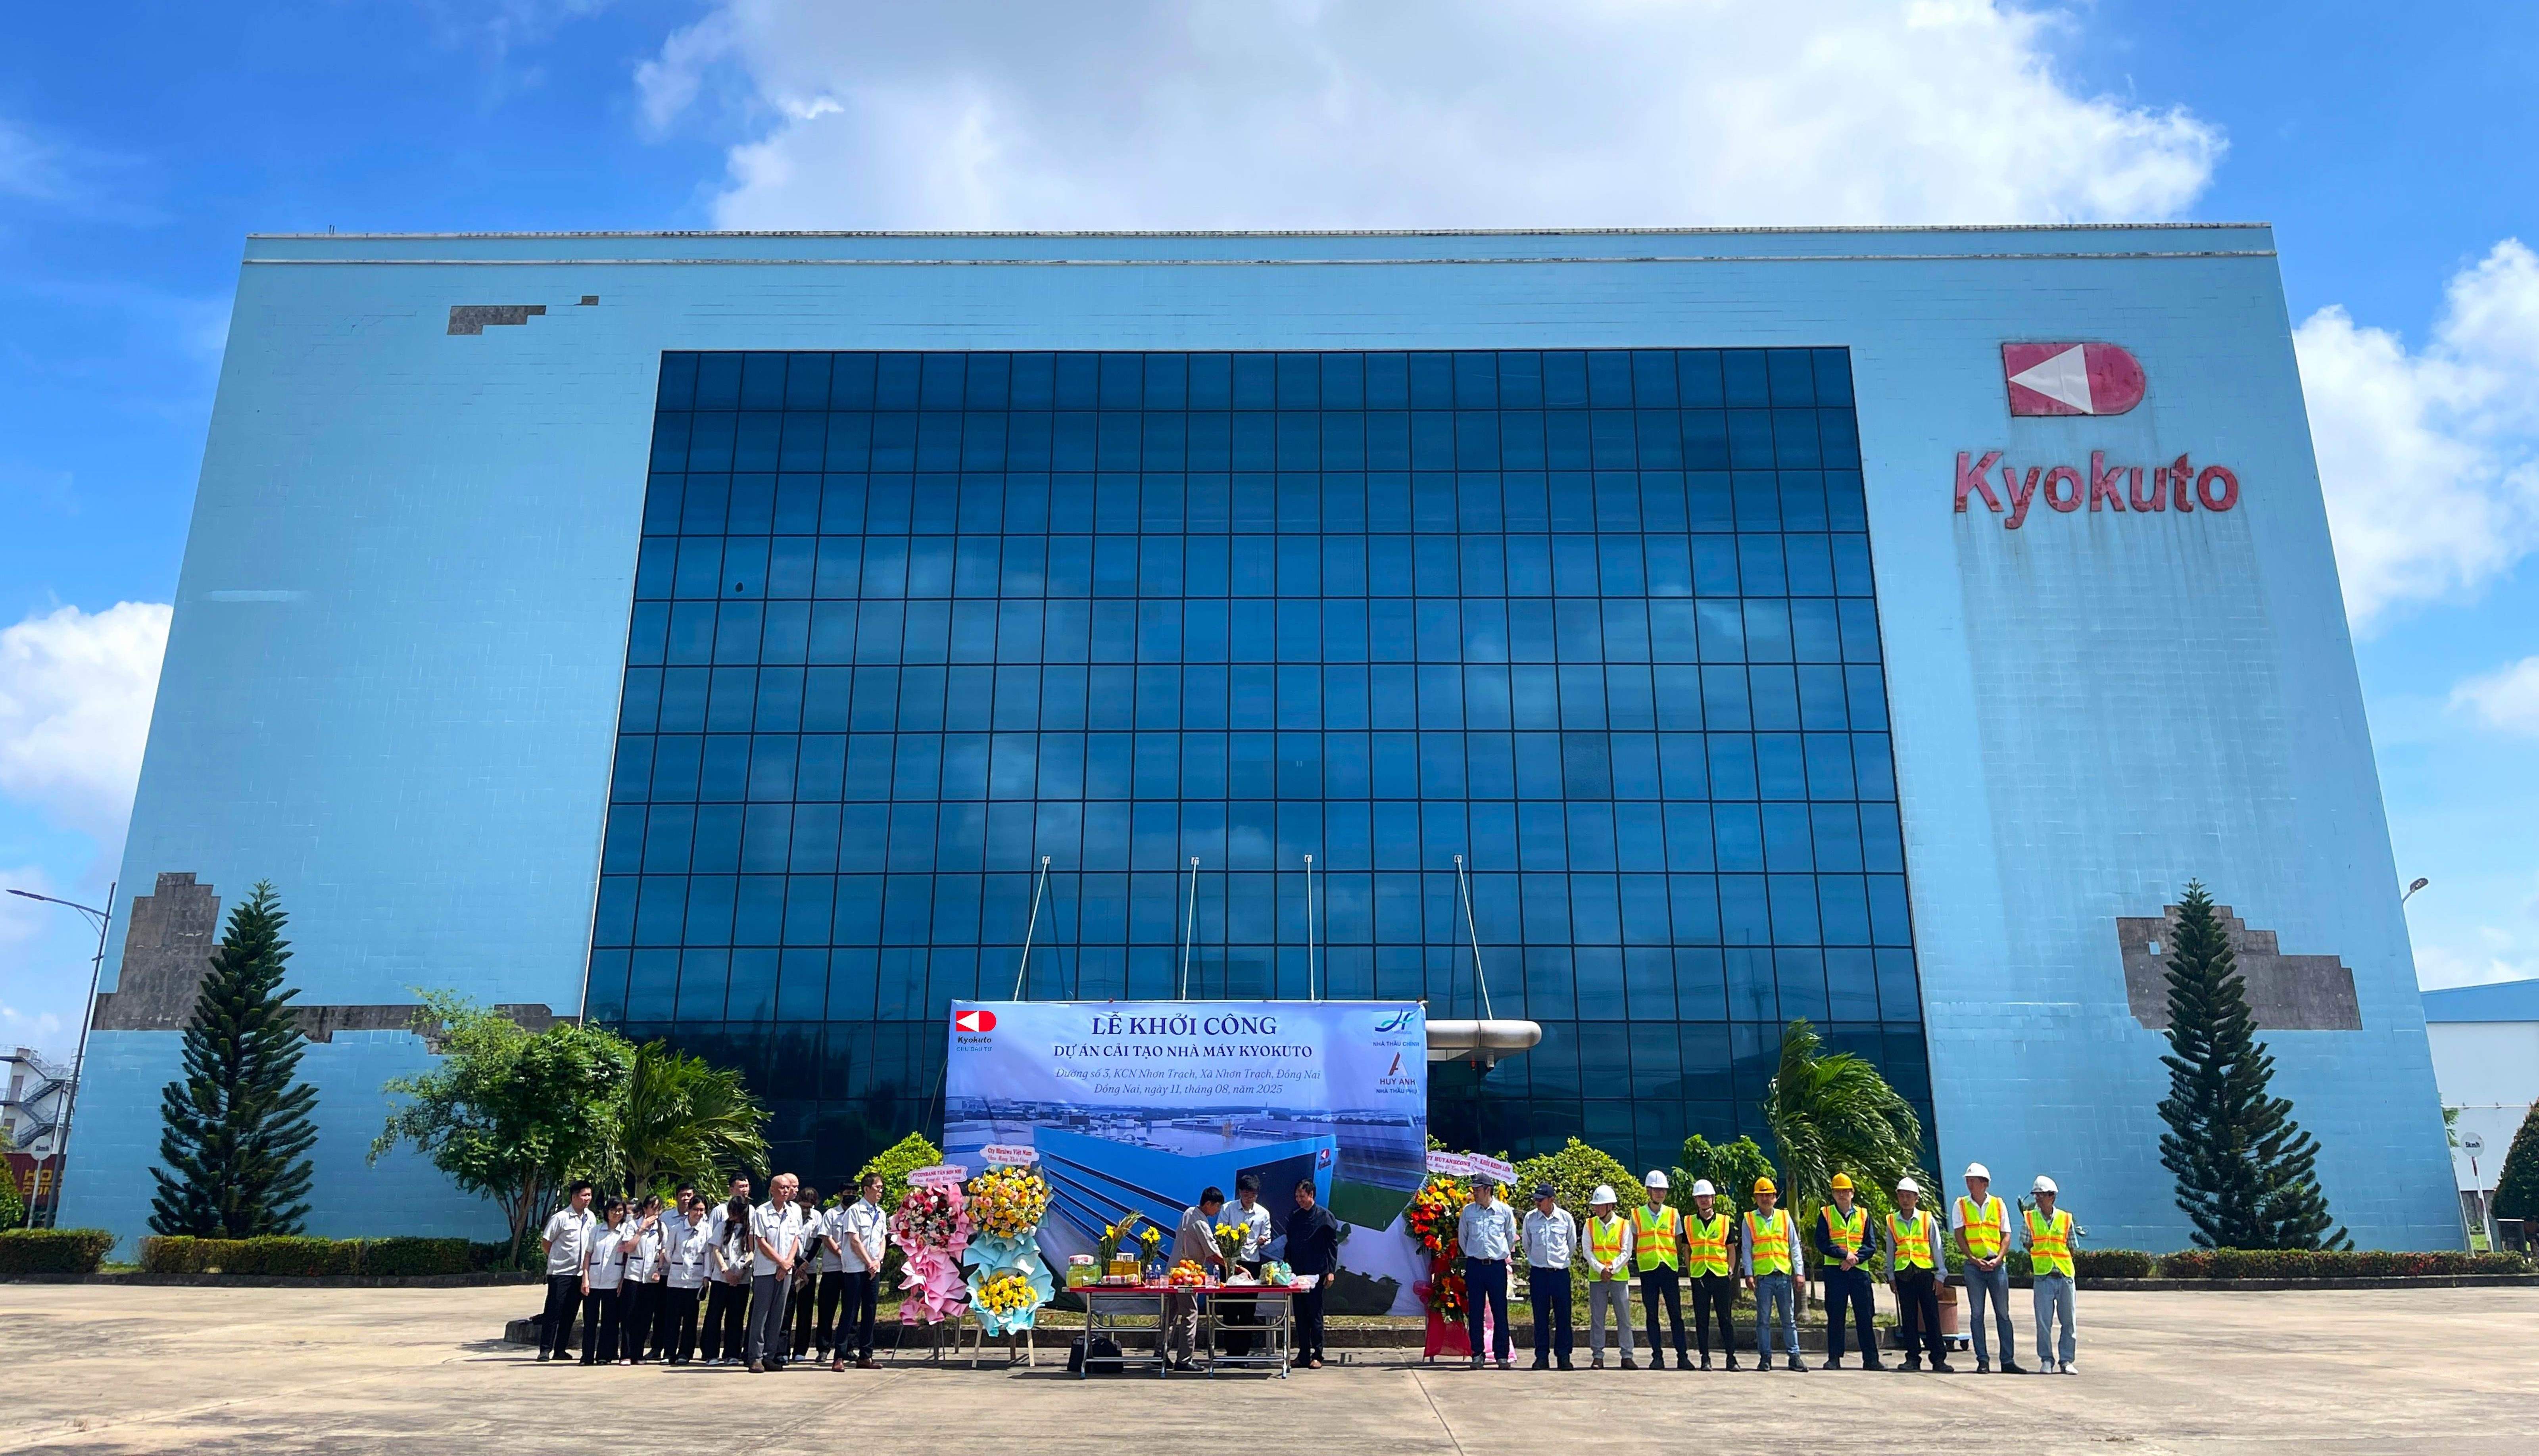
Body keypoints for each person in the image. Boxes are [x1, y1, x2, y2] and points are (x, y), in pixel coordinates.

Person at [1952, 1162, 2026, 1373]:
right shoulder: (1961, 1205)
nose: (1969, 1184)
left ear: (1984, 1184)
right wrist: (1973, 1259)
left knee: (2003, 1314)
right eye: (1968, 1180)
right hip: (1974, 1267)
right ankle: (1982, 1360)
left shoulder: (1998, 1204)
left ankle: (2007, 1361)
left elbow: (2006, 1235)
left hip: (1997, 1266)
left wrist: (1999, 1259)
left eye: (1973, 1180)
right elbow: (1960, 1235)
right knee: (1977, 1314)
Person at [1815, 1173, 1883, 1370]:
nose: (1842, 1195)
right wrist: (1845, 1256)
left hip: (1859, 1272)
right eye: (1838, 1192)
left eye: (1846, 1191)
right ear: (1833, 1194)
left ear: (1852, 1193)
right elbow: (1822, 1242)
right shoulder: (1826, 1214)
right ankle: (1834, 1358)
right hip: (1835, 1271)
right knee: (1836, 1315)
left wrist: (1855, 1260)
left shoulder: (1864, 1214)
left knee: (1865, 1315)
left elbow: (1871, 1245)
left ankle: (1871, 1359)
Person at [1886, 1176, 1952, 1371]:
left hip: (1924, 1274)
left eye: (1909, 1196)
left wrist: (1941, 1275)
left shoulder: (1926, 1219)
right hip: (1904, 1274)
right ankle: (1912, 1358)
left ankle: (1938, 1359)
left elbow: (1936, 1247)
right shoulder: (1892, 1221)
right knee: (1909, 1318)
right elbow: (1891, 1250)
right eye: (1902, 1196)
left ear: (1917, 1198)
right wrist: (1891, 1275)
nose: (1905, 1200)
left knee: (1932, 1317)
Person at [1740, 1177, 1805, 1372]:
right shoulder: (1749, 1219)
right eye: (1762, 1196)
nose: (1766, 1199)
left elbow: (1794, 1246)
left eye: (1769, 1195)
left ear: (1776, 1198)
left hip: (1784, 1275)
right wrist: (1749, 1274)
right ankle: (1765, 1357)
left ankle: (1794, 1357)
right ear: (1756, 1198)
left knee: (1789, 1319)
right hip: (1764, 1278)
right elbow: (1746, 1248)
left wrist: (1799, 1272)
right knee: (1763, 1320)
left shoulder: (1785, 1218)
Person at [743, 1172, 806, 1373]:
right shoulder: (762, 1212)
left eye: (789, 1188)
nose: (786, 1191)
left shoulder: (793, 1211)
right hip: (765, 1270)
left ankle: (770, 1356)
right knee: (761, 1314)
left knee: (778, 1315)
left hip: (785, 1270)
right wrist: (780, 1262)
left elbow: (796, 1238)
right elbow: (761, 1241)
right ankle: (755, 1357)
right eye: (782, 1188)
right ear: (772, 1190)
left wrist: (787, 1264)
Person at [1457, 1178, 1518, 1370]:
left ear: (1488, 1190)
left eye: (1478, 1190)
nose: (1474, 1193)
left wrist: (1498, 1255)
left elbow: (1510, 1238)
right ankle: (1477, 1354)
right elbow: (1463, 1240)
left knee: (1500, 1311)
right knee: (1475, 1311)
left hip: (1496, 1266)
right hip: (1475, 1266)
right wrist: (1475, 1254)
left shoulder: (1504, 1211)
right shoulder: (1468, 1212)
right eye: (1473, 1189)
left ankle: (1502, 1355)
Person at [1631, 1170, 1689, 1370]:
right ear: (1649, 1191)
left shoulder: (1673, 1214)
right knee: (1651, 1315)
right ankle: (1657, 1356)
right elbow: (1635, 1241)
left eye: (1663, 1190)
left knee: (1676, 1315)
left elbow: (1678, 1241)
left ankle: (1683, 1356)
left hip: (1669, 1268)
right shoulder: (1637, 1215)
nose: (1660, 1194)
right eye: (1656, 1190)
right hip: (1648, 1269)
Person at [830, 1173, 889, 1371]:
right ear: (866, 1189)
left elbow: (882, 1239)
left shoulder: (880, 1213)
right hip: (856, 1267)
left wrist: (878, 1261)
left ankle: (866, 1355)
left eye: (882, 1188)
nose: (881, 1191)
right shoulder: (854, 1211)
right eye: (878, 1187)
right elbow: (854, 1241)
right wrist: (868, 1262)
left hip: (873, 1268)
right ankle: (840, 1355)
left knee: (870, 1310)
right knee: (850, 1311)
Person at [1165, 1186, 1228, 1370]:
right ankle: (1184, 1360)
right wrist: (1233, 1267)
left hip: (1173, 1272)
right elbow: (1213, 1253)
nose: (1217, 1212)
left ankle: (1160, 1352)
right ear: (1208, 1204)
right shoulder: (1201, 1223)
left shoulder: (1189, 1212)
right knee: (1190, 1314)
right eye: (1216, 1207)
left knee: (1169, 1315)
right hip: (1186, 1276)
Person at [536, 1181, 597, 1362]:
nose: (587, 1199)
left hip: (580, 1275)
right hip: (560, 1273)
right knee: (553, 1312)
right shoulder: (561, 1218)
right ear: (574, 1197)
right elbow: (546, 1244)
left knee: (570, 1314)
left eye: (589, 1195)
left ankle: (561, 1349)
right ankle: (545, 1349)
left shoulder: (591, 1218)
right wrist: (557, 1261)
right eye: (584, 1196)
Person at [1284, 1178, 1341, 1370]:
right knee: (1300, 1316)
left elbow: (1332, 1246)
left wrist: (1330, 1272)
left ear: (1312, 1196)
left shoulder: (1325, 1217)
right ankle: (1303, 1354)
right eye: (1297, 1196)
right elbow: (1289, 1244)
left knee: (1315, 1315)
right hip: (1297, 1274)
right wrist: (1286, 1268)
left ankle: (1318, 1354)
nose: (1299, 1200)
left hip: (1317, 1274)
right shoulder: (1295, 1216)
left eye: (1303, 1196)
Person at [1683, 1179, 1739, 1370]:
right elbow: (1687, 1250)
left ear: (1713, 1199)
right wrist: (1691, 1273)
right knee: (1702, 1320)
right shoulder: (1689, 1222)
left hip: (1720, 1275)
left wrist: (1731, 1269)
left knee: (1725, 1319)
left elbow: (1731, 1249)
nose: (1704, 1200)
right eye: (1700, 1197)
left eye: (1707, 1197)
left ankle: (1731, 1358)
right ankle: (1705, 1358)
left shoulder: (1724, 1222)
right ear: (1696, 1200)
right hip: (1700, 1276)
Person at [1521, 1183, 1578, 1371]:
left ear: (1552, 1200)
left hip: (1560, 1273)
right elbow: (1527, 1245)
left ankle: (1564, 1356)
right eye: (1536, 1199)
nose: (1537, 1202)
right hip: (1539, 1274)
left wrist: (1559, 1262)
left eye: (1541, 1199)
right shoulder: (1530, 1219)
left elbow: (1571, 1245)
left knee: (1563, 1316)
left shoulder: (1565, 1219)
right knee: (1540, 1316)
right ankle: (1541, 1357)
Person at [2026, 1175, 2078, 1375]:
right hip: (2043, 1276)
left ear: (2052, 1197)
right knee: (2043, 1322)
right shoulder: (2030, 1218)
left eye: (2042, 1195)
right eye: (2036, 1195)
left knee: (2069, 1321)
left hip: (2064, 1276)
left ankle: (2067, 1361)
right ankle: (2046, 1359)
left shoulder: (2066, 1219)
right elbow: (2027, 1243)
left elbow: (2072, 1247)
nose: (2038, 1199)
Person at [1221, 1174, 1276, 1356]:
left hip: (1252, 1264)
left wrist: (1263, 1240)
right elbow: (1221, 1232)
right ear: (1239, 1193)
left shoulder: (1263, 1213)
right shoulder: (1228, 1209)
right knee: (1229, 1310)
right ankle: (1230, 1353)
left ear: (1257, 1195)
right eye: (1245, 1195)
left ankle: (1243, 1354)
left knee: (1247, 1310)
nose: (1248, 1199)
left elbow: (1268, 1237)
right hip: (1231, 1262)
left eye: (1252, 1196)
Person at [1583, 1185, 1636, 1370]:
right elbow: (1587, 1251)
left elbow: (1626, 1251)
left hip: (1619, 1277)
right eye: (1596, 1206)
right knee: (1597, 1318)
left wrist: (1611, 1269)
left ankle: (1627, 1356)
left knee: (1624, 1318)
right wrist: (1601, 1270)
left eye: (1601, 1205)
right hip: (1598, 1278)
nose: (1597, 1209)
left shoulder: (1624, 1225)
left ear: (1610, 1206)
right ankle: (1598, 1356)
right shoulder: (1589, 1225)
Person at [703, 1179, 754, 1365]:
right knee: (715, 1315)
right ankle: (711, 1353)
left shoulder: (750, 1228)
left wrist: (742, 1271)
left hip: (741, 1278)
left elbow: (752, 1251)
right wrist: (725, 1271)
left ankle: (732, 1353)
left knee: (736, 1316)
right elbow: (715, 1249)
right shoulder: (723, 1226)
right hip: (721, 1277)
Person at [580, 1197, 632, 1365]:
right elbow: (588, 1255)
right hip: (594, 1282)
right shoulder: (596, 1231)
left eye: (620, 1210)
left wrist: (623, 1280)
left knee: (609, 1322)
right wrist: (585, 1278)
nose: (617, 1214)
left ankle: (604, 1355)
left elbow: (628, 1258)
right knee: (590, 1321)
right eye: (613, 1210)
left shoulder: (626, 1231)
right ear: (607, 1212)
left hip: (614, 1282)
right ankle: (587, 1356)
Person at [663, 1191, 709, 1365]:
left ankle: (685, 1353)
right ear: (689, 1210)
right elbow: (668, 1252)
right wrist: (677, 1265)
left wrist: (706, 1277)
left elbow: (708, 1256)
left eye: (703, 1210)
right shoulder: (676, 1230)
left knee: (690, 1320)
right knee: (672, 1319)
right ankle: (669, 1352)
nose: (699, 1213)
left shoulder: (706, 1230)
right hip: (675, 1280)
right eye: (696, 1209)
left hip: (695, 1280)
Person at [622, 1195, 668, 1363]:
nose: (656, 1212)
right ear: (645, 1209)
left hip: (651, 1278)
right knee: (629, 1315)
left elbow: (663, 1252)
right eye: (653, 1208)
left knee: (645, 1316)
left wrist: (659, 1270)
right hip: (633, 1275)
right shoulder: (632, 1225)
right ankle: (626, 1354)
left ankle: (638, 1353)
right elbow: (628, 1248)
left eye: (658, 1209)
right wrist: (641, 1230)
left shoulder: (662, 1228)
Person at [788, 1183, 824, 1360]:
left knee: (806, 1310)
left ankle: (800, 1351)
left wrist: (806, 1263)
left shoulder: (817, 1217)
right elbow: (790, 1239)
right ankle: (782, 1350)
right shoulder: (791, 1213)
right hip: (791, 1266)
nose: (805, 1211)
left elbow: (817, 1242)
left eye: (808, 1208)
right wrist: (796, 1263)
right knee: (788, 1309)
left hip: (808, 1268)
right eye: (803, 1207)